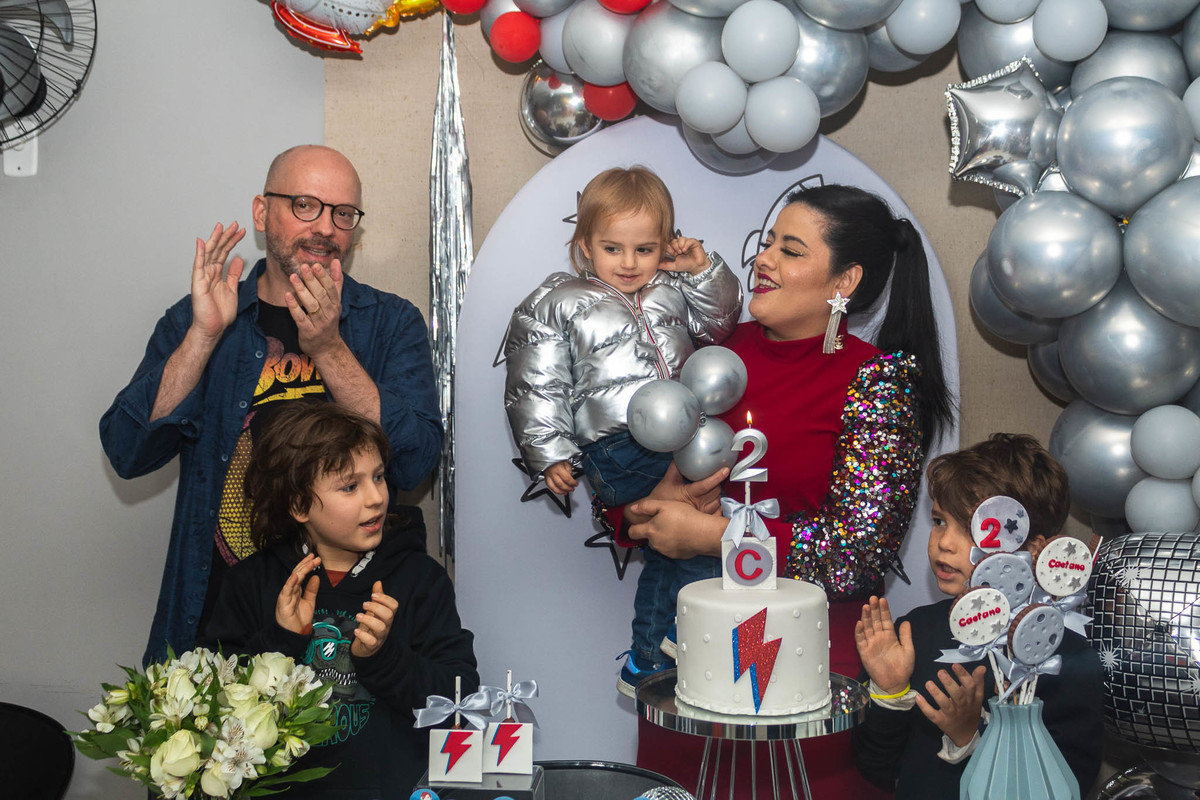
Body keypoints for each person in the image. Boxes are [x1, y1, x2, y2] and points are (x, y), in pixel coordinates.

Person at [604, 184, 954, 796]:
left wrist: (716, 537)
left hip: (807, 675)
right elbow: (628, 493)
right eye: (768, 243)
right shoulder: (710, 352)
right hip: (690, 665)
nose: (763, 259)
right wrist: (647, 508)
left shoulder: (877, 382)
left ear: (844, 281)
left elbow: (859, 553)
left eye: (790, 250)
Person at [100, 145, 442, 666]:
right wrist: (202, 338)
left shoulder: (390, 323)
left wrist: (329, 348)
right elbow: (127, 452)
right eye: (304, 205)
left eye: (342, 213)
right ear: (262, 213)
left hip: (347, 640)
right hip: (214, 629)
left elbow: (415, 465)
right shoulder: (202, 318)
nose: (324, 227)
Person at [501, 166, 742, 695]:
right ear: (584, 245)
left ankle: (651, 656)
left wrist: (703, 272)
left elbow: (719, 326)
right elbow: (536, 382)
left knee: (674, 547)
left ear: (665, 245)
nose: (629, 263)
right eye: (613, 249)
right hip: (619, 447)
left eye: (645, 249)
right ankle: (673, 641)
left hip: (681, 435)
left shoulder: (671, 290)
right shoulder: (558, 301)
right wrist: (552, 453)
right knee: (696, 536)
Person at [200, 402, 478, 798]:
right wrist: (281, 641)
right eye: (350, 486)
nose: (376, 497)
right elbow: (212, 710)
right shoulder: (251, 582)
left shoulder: (419, 579)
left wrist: (383, 657)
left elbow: (460, 700)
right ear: (299, 505)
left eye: (378, 477)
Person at [852, 433, 1103, 798]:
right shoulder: (913, 633)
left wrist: (971, 736)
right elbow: (876, 767)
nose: (944, 542)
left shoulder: (1062, 654)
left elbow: (1069, 783)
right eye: (940, 521)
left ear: (1033, 548)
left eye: (975, 528)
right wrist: (891, 693)